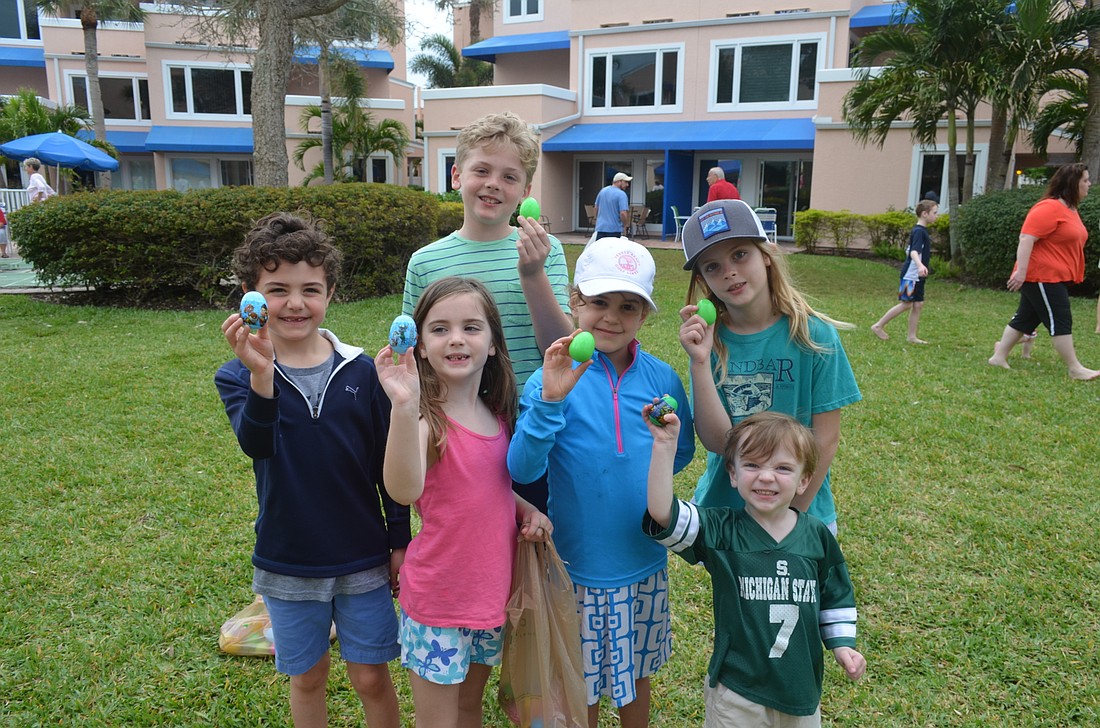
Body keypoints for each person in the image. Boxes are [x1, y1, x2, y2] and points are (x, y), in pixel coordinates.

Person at [215, 212, 409, 728]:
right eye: (277, 290)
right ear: (250, 296)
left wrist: (399, 541)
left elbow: (386, 465)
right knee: (307, 677)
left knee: (371, 677)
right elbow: (256, 444)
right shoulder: (236, 375)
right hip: (287, 560)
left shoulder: (363, 370)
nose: (295, 303)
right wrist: (261, 375)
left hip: (363, 557)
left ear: (331, 292)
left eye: (310, 289)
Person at [507, 237, 696, 728]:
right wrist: (550, 401)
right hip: (575, 569)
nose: (611, 317)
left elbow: (682, 453)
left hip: (643, 563)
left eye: (628, 306)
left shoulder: (662, 379)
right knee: (581, 686)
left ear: (644, 315)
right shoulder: (549, 378)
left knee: (638, 676)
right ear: (575, 302)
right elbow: (522, 470)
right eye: (599, 302)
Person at [376, 276, 552, 728]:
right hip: (438, 603)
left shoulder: (498, 417)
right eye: (440, 329)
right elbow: (403, 489)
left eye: (471, 327)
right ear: (419, 346)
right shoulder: (425, 421)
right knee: (438, 721)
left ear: (493, 343)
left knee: (470, 708)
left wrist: (526, 509)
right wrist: (403, 406)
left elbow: (490, 487)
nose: (456, 338)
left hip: (490, 599)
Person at [644, 410, 866, 727]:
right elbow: (662, 512)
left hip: (800, 690)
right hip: (737, 691)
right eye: (752, 465)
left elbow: (835, 594)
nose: (766, 476)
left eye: (783, 468)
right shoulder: (721, 529)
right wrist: (664, 446)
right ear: (733, 474)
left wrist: (842, 647)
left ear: (804, 480)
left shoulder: (816, 536)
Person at [403, 111, 573, 513]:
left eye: (509, 176)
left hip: (533, 424)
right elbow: (413, 356)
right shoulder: (425, 262)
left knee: (537, 533)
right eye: (481, 170)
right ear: (456, 176)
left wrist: (532, 273)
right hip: (458, 429)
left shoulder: (545, 251)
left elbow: (558, 347)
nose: (494, 183)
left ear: (525, 191)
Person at [678, 199, 861, 535]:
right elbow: (719, 443)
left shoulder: (814, 335)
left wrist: (789, 519)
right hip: (727, 516)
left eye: (740, 254)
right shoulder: (710, 342)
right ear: (703, 281)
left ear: (766, 255)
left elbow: (826, 439)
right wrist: (700, 362)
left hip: (803, 515)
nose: (729, 271)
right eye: (713, 267)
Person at [987, 162, 1100, 380]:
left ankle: (998, 357)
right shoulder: (1049, 207)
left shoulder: (1070, 209)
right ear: (1072, 183)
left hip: (1052, 276)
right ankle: (1075, 368)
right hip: (1042, 275)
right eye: (1085, 180)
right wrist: (1021, 272)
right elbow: (1026, 238)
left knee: (1025, 319)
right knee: (1061, 318)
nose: (1089, 184)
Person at [870, 199, 939, 344]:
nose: (936, 216)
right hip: (911, 275)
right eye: (934, 213)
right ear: (925, 214)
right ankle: (878, 326)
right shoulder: (919, 231)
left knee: (918, 304)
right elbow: (914, 251)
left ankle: (912, 336)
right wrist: (920, 265)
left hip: (918, 275)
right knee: (906, 304)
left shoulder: (922, 231)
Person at [594, 172, 632, 240]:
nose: (627, 185)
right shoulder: (621, 194)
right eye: (625, 182)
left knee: (601, 247)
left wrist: (597, 220)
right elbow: (623, 213)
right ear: (619, 182)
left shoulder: (603, 191)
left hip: (601, 228)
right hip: (614, 230)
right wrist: (625, 226)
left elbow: (596, 207)